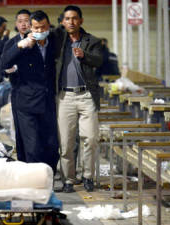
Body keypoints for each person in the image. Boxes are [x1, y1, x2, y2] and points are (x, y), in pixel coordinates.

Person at [0, 10, 59, 173]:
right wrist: (20, 46)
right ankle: (33, 177)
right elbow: (3, 65)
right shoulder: (18, 44)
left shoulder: (53, 41)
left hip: (47, 101)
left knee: (51, 143)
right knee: (31, 144)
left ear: (48, 26)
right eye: (36, 28)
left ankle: (49, 176)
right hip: (25, 101)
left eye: (43, 27)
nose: (39, 31)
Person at [55, 5, 103, 192]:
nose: (71, 22)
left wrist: (85, 55)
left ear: (81, 20)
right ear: (63, 21)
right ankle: (68, 180)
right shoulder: (59, 42)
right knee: (66, 143)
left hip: (86, 96)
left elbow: (99, 60)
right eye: (67, 19)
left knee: (90, 138)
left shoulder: (92, 41)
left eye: (74, 18)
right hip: (65, 96)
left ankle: (88, 176)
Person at [0, 9, 31, 162]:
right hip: (18, 91)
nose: (24, 24)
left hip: (38, 93)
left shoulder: (39, 42)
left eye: (27, 21)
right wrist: (9, 71)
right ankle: (23, 161)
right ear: (16, 24)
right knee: (20, 129)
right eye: (20, 21)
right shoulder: (11, 43)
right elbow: (2, 67)